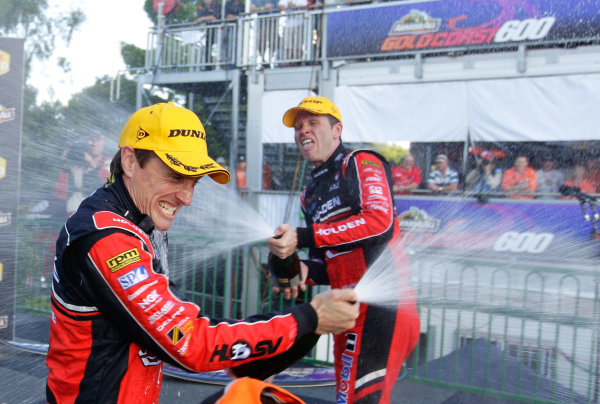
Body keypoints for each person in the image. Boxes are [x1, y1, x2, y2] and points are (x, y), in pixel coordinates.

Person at [45, 102, 359, 403]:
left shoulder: (138, 222)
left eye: (193, 182)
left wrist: (295, 335)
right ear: (129, 161)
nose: (186, 197)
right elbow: (190, 342)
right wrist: (307, 319)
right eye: (175, 176)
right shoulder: (106, 236)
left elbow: (182, 324)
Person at [267, 96, 420, 404]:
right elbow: (325, 263)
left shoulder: (361, 161)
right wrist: (294, 271)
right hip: (345, 313)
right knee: (346, 400)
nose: (303, 131)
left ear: (337, 130)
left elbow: (380, 222)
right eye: (298, 126)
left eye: (313, 123)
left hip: (384, 308)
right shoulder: (310, 195)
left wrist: (303, 236)